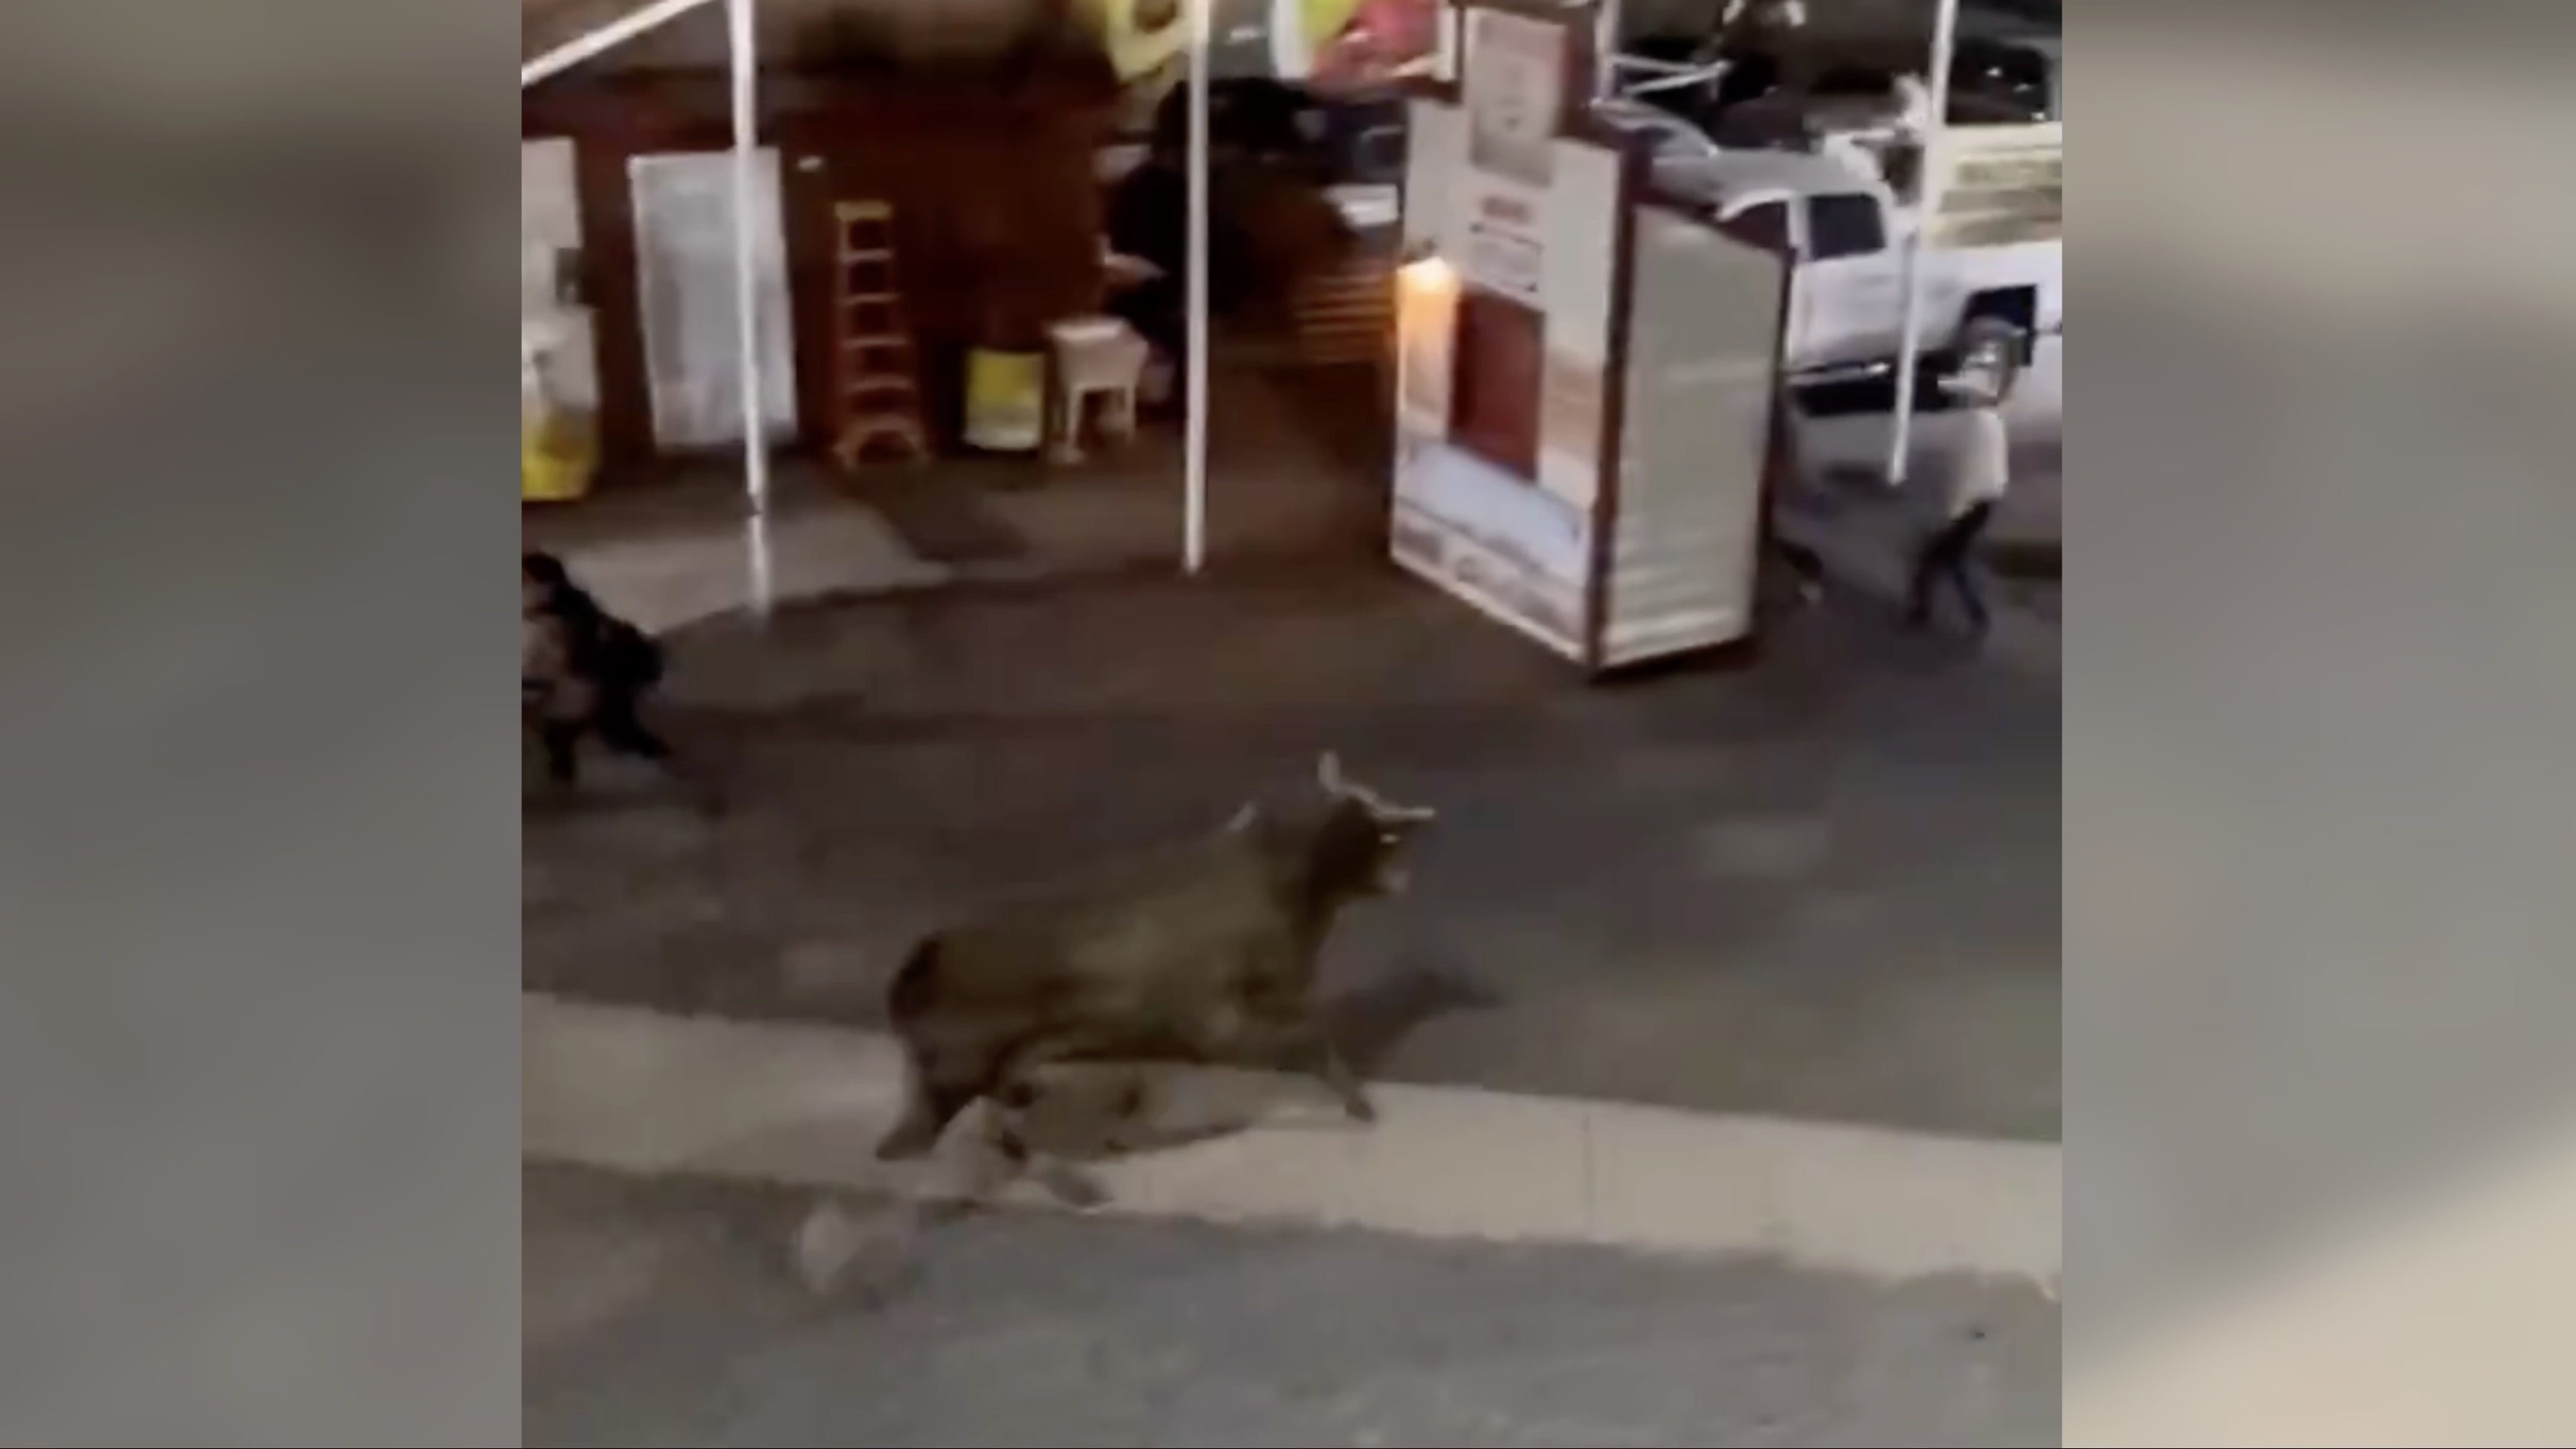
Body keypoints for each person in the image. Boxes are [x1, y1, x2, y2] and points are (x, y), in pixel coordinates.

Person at [522, 551, 672, 786]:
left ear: (543, 584)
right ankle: (679, 770)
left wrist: (535, 690)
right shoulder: (570, 607)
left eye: (524, 582)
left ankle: (681, 773)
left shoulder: (558, 621)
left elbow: (560, 666)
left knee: (605, 730)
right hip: (604, 680)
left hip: (597, 683)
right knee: (597, 732)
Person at [1906, 361, 2013, 635]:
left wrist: (1952, 511)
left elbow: (1966, 472)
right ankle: (1973, 613)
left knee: (1933, 558)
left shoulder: (1973, 424)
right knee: (1951, 560)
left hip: (1972, 502)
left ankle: (1923, 611)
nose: (1954, 399)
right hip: (1987, 500)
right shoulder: (1993, 421)